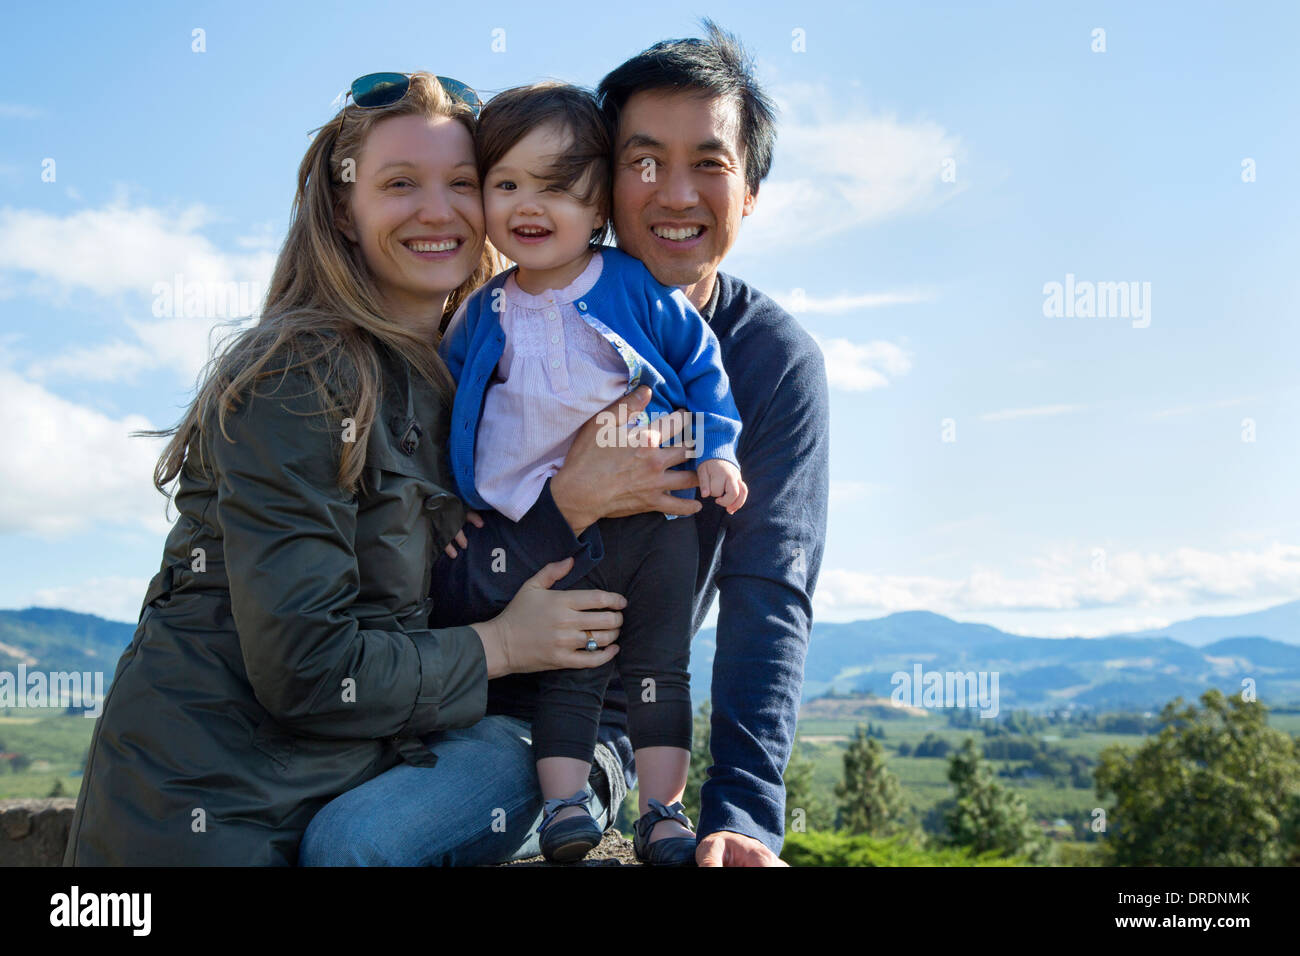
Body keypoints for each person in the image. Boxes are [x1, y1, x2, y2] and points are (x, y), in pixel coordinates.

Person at [62, 71, 628, 866]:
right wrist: (501, 647)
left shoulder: (468, 375)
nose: (439, 211)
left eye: (462, 183)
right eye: (401, 184)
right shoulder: (300, 374)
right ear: (341, 207)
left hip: (326, 788)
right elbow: (308, 666)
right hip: (217, 813)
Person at [303, 20, 829, 869]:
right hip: (439, 677)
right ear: (603, 181)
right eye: (644, 161)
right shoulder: (488, 322)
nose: (675, 193)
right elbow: (439, 566)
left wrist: (744, 814)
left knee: (355, 845)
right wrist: (568, 505)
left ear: (752, 192)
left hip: (583, 716)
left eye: (711, 164)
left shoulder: (768, 360)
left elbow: (770, 590)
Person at [438, 81, 747, 864]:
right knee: (571, 667)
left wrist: (716, 447)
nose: (527, 206)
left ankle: (664, 811)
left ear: (599, 208)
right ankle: (565, 806)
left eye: (556, 187)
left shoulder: (628, 284)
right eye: (505, 184)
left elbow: (700, 362)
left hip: (657, 515)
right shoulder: (482, 312)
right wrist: (451, 500)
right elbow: (449, 411)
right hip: (555, 522)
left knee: (657, 666)